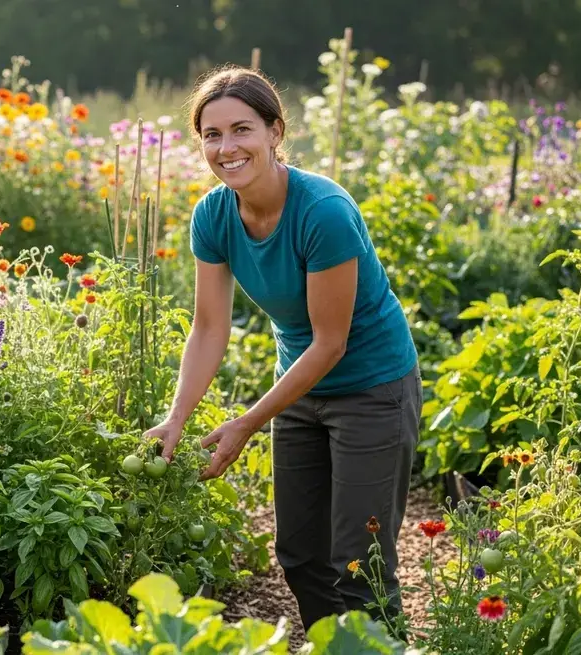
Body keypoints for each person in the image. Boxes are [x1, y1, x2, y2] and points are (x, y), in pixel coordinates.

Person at [144, 65, 422, 635]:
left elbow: (331, 342)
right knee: (299, 556)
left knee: (359, 565)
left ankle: (379, 648)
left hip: (372, 389)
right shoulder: (214, 215)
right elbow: (208, 327)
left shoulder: (323, 211)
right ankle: (332, 649)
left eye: (242, 129)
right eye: (212, 135)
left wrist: (246, 422)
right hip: (299, 391)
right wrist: (177, 418)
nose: (227, 148)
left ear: (275, 131)